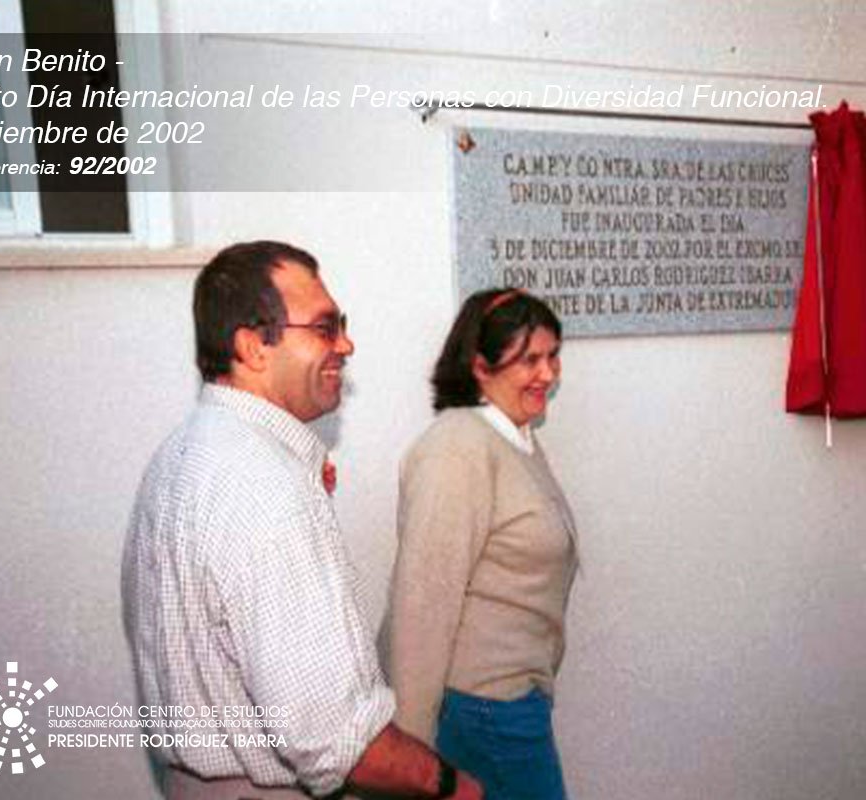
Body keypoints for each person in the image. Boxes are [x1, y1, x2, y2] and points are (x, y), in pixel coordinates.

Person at [122, 241, 480, 800]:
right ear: (252, 346)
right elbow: (337, 740)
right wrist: (452, 786)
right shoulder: (265, 484)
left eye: (342, 326)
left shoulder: (181, 454)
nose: (346, 344)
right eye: (324, 327)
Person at [389, 288, 578, 800]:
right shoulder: (457, 447)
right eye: (529, 360)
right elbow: (422, 605)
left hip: (512, 702)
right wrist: (412, 754)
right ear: (480, 366)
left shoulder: (513, 437)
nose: (548, 373)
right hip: (483, 710)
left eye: (553, 355)